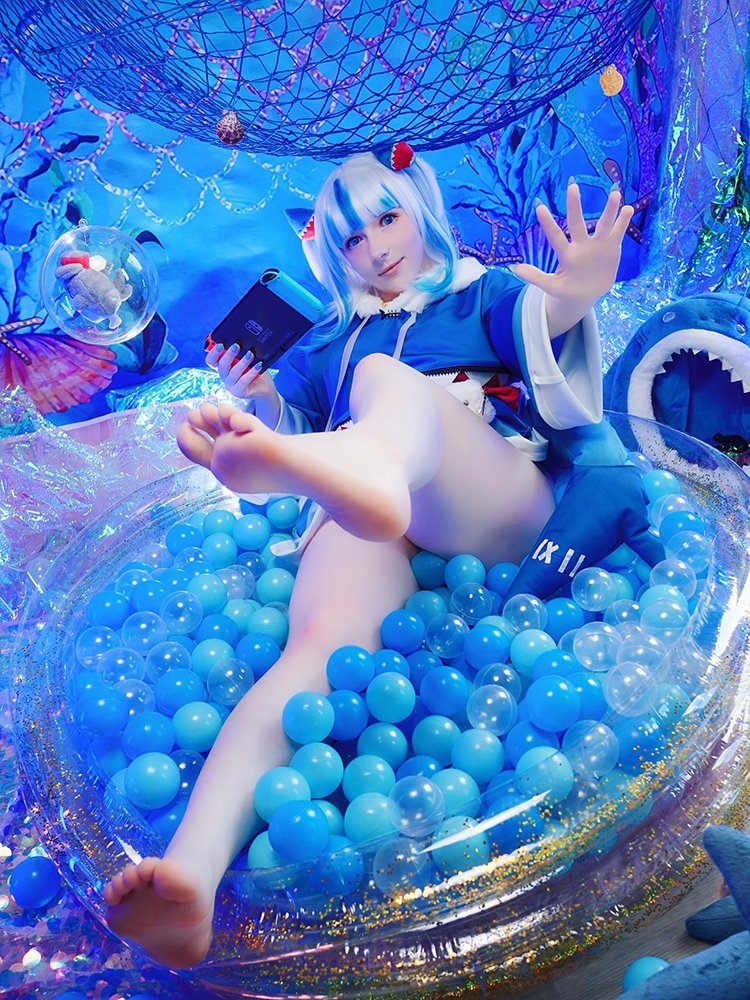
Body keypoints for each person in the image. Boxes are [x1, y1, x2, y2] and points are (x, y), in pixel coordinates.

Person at [103, 142, 645, 969]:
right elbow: (297, 412)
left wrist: (581, 284)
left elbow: (553, 318)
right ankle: (192, 876)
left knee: (386, 383)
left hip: (493, 504)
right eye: (351, 238)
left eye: (387, 219)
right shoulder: (328, 343)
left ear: (420, 210)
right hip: (375, 519)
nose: (376, 247)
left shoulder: (481, 296)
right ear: (334, 254)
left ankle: (360, 464)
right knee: (314, 652)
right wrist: (265, 403)